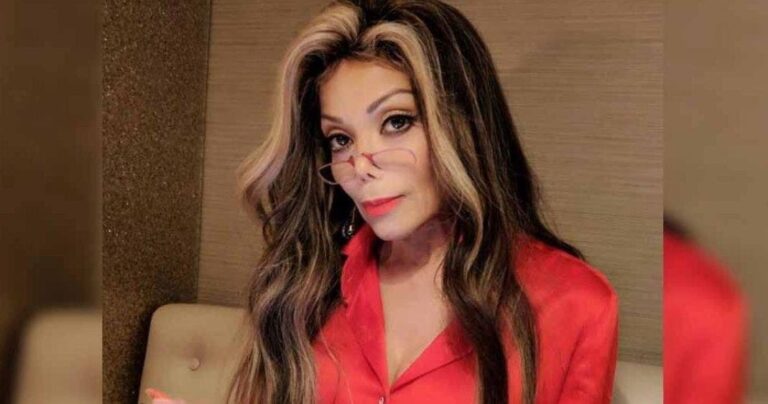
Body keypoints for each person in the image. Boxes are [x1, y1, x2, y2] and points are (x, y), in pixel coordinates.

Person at [143, 1, 618, 403]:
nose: (359, 165)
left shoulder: (575, 304)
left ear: (464, 124)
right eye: (340, 138)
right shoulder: (310, 281)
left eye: (396, 121)